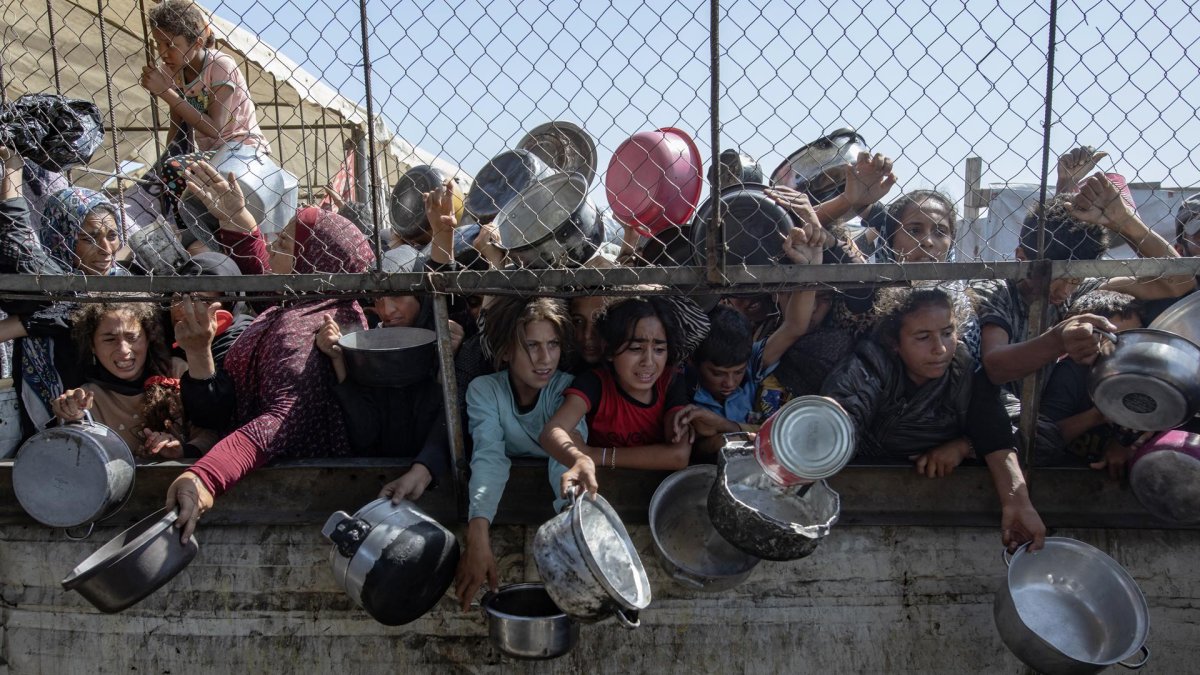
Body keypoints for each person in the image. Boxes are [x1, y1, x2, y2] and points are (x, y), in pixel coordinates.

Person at [165, 206, 375, 541]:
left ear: (311, 260)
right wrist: (238, 224)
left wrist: (207, 476)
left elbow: (279, 421)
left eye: (287, 239)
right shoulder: (302, 306)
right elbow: (264, 276)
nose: (274, 241)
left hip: (293, 500)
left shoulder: (313, 324)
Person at [822, 287, 1045, 551]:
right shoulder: (868, 368)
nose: (939, 349)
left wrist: (966, 447)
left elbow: (1023, 429)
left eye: (947, 333)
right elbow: (838, 422)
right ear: (895, 342)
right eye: (922, 337)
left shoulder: (964, 371)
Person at [973, 173, 1195, 391]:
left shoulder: (1078, 291)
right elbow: (996, 367)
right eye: (1056, 279)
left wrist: (1124, 220)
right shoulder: (996, 291)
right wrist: (1058, 339)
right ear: (1021, 258)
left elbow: (1178, 282)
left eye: (1075, 279)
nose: (1065, 291)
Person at [453, 296, 583, 611]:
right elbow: (489, 456)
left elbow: (563, 457)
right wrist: (478, 530)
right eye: (532, 346)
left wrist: (571, 524)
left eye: (553, 345)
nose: (545, 358)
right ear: (506, 351)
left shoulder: (565, 390)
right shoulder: (485, 391)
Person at [0, 145, 129, 435]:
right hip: (44, 424)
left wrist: (26, 325)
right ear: (63, 239)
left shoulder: (128, 287)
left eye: (112, 236)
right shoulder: (46, 288)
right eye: (90, 238)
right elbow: (18, 248)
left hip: (113, 421)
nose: (106, 249)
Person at [541, 296, 696, 498]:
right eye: (635, 349)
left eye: (659, 349)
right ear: (610, 350)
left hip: (655, 496)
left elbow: (678, 455)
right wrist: (579, 458)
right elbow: (553, 430)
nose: (648, 361)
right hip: (602, 493)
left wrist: (597, 455)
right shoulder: (595, 384)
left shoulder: (670, 382)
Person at [51, 301, 214, 458]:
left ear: (148, 338)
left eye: (132, 337)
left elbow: (210, 433)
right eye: (109, 339)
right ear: (92, 346)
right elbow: (75, 454)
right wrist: (71, 414)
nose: (123, 349)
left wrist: (183, 451)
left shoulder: (178, 372)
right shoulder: (88, 398)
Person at [1035, 290, 1145, 476]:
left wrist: (1124, 444)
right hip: (1066, 473)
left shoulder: (1145, 373)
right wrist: (1100, 414)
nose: (1127, 347)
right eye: (1115, 338)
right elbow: (1045, 437)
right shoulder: (1071, 373)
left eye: (1135, 337)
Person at [141, 0, 267, 156]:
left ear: (196, 43)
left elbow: (216, 129)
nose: (163, 52)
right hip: (210, 155)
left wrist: (164, 91)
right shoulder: (170, 71)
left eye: (170, 45)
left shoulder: (220, 65)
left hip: (244, 150)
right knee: (165, 177)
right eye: (158, 44)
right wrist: (169, 164)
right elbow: (177, 127)